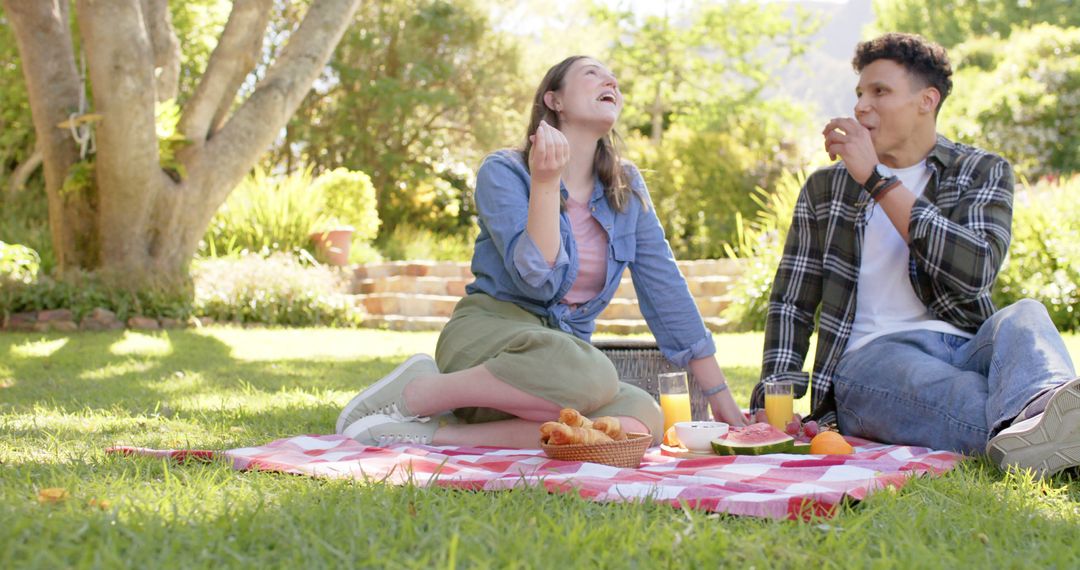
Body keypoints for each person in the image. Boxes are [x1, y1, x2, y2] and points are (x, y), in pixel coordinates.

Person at [336, 56, 748, 449]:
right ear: (554, 100)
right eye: (592, 74)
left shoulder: (627, 189)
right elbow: (536, 274)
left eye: (613, 80)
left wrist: (720, 397)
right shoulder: (505, 171)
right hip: (488, 340)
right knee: (590, 373)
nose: (611, 83)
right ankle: (420, 390)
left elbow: (667, 292)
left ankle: (432, 434)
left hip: (553, 375)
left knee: (643, 419)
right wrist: (546, 183)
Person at [750, 32, 1079, 477]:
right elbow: (793, 301)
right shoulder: (826, 188)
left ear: (927, 100)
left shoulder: (980, 170)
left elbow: (975, 270)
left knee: (1025, 316)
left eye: (880, 91)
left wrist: (878, 182)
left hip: (965, 343)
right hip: (871, 359)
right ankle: (1046, 428)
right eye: (859, 93)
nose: (862, 106)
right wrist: (776, 393)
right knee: (976, 397)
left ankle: (1042, 424)